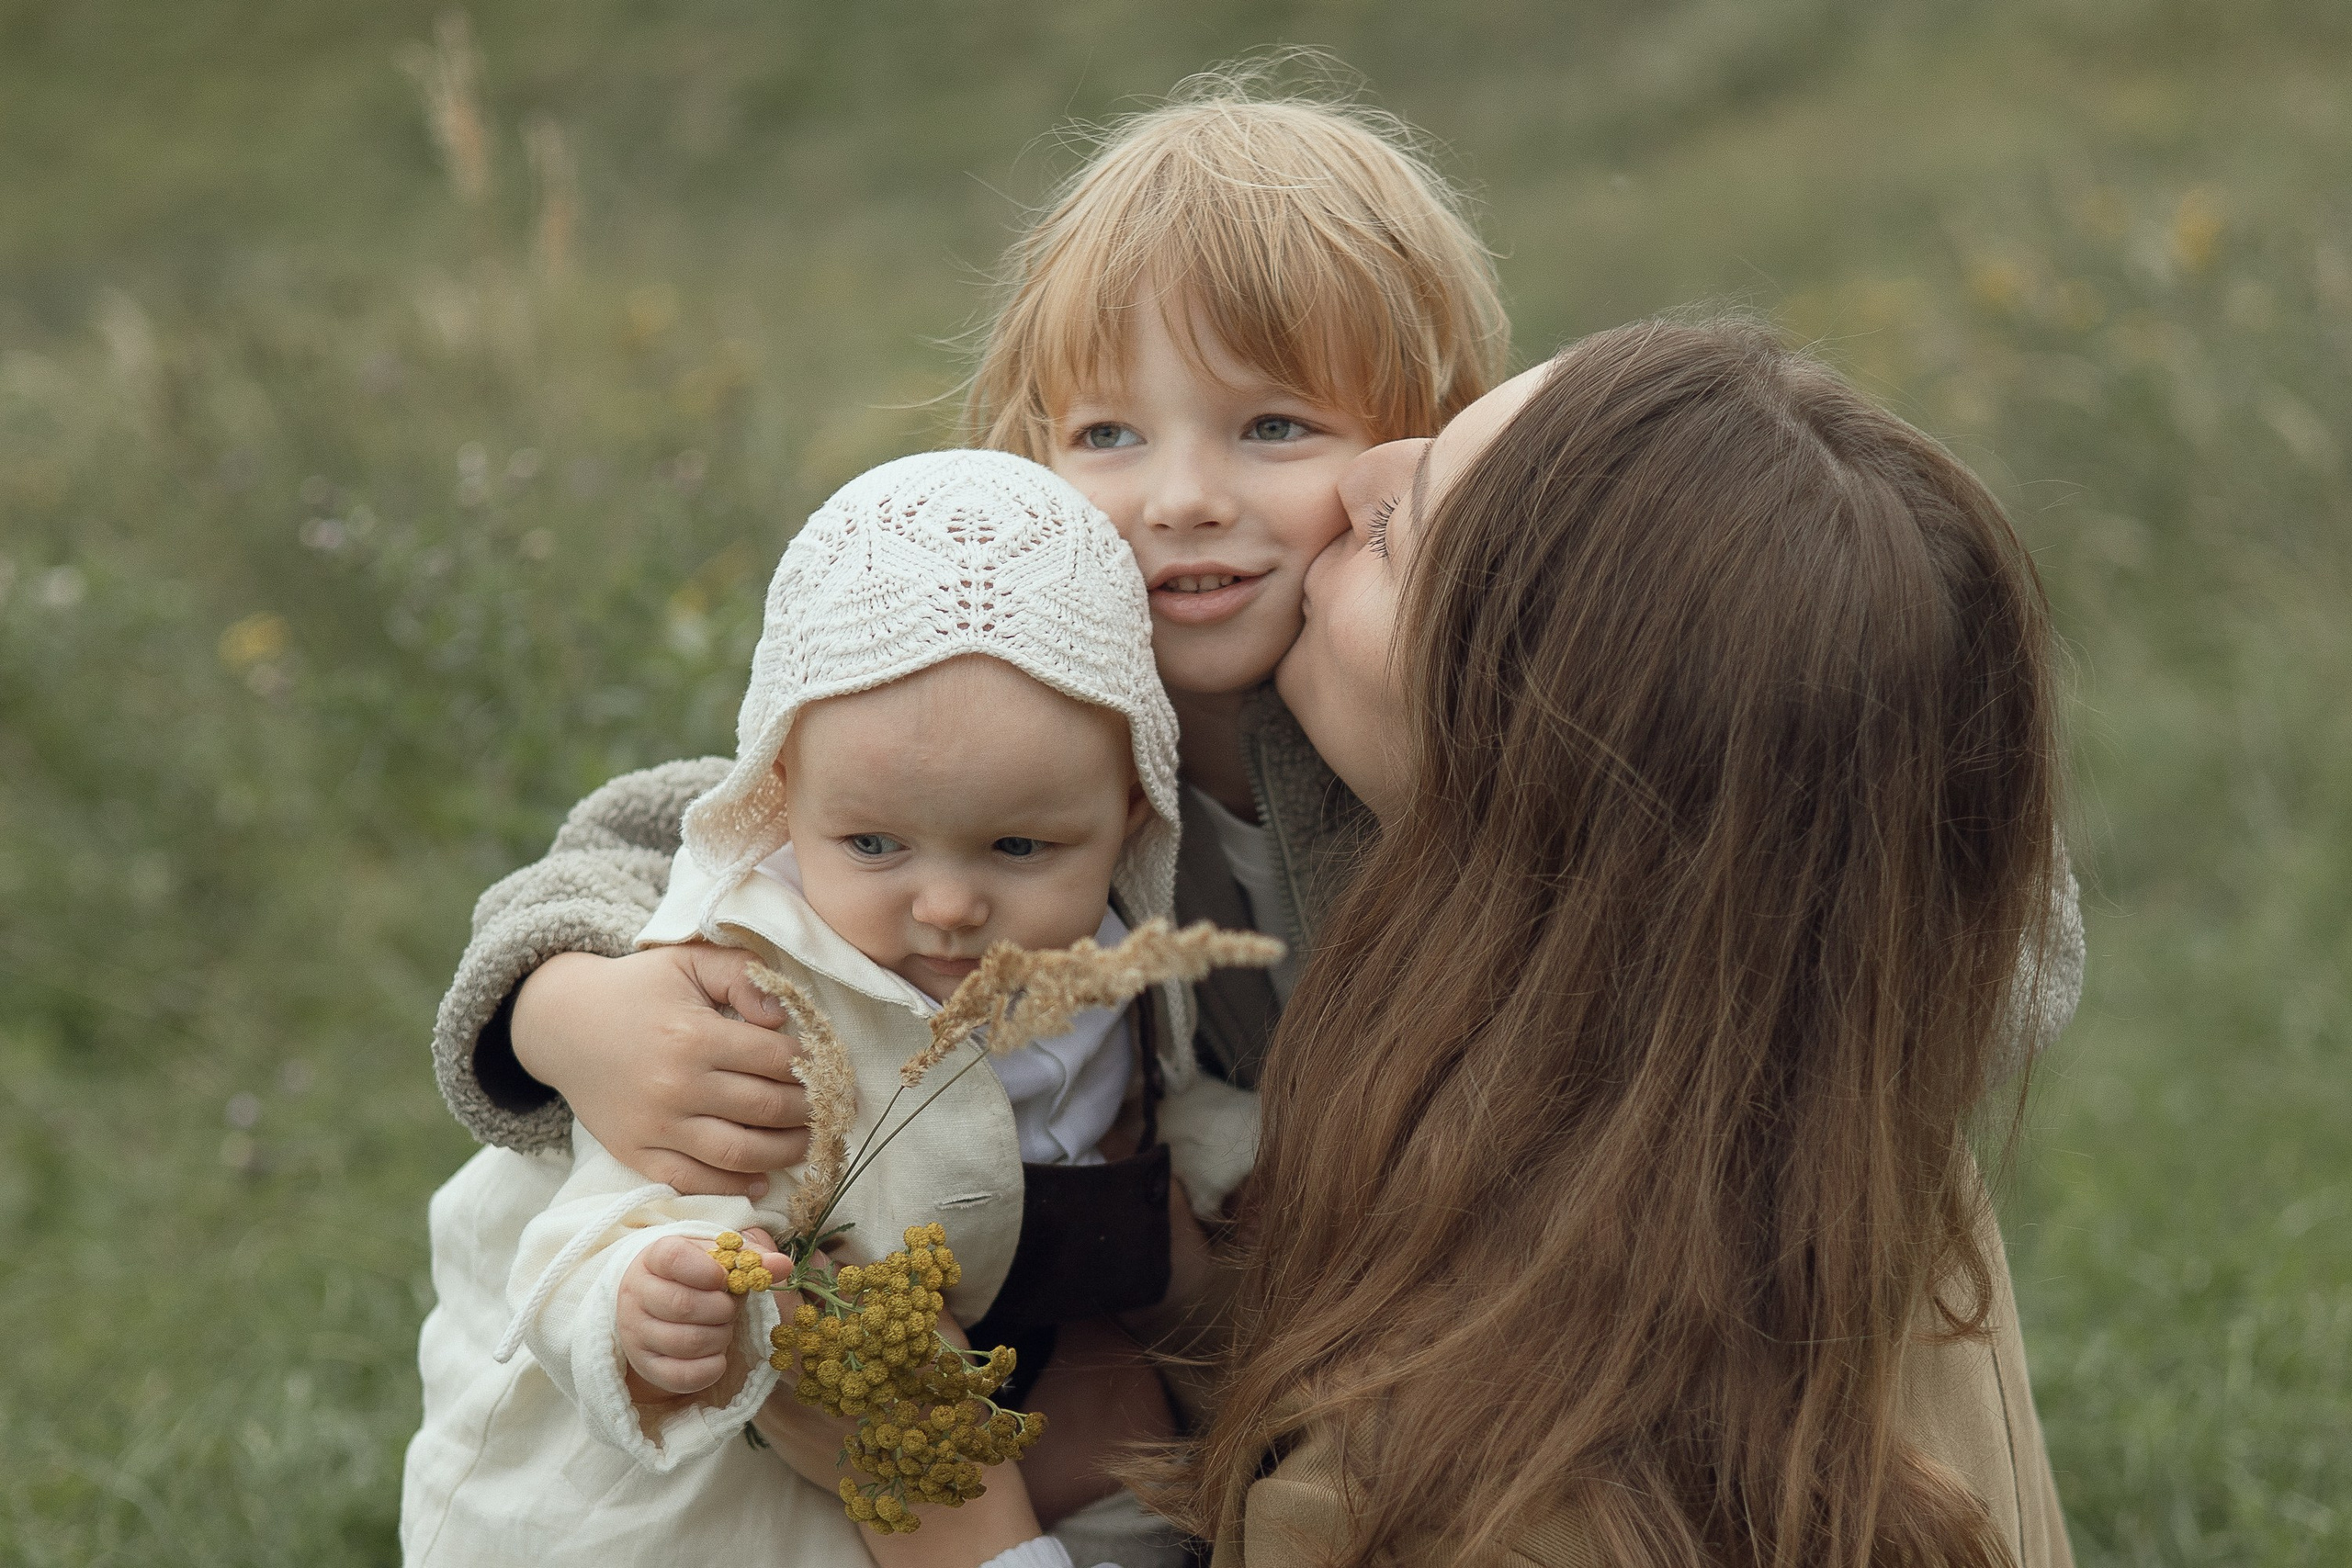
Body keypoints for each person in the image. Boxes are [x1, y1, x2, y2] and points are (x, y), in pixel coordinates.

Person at [769, 318, 2084, 1567]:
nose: (1361, 477)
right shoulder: (1851, 1150)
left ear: (1524, 755)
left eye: (1401, 532)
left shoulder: (1423, 1488)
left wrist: (938, 1484)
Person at [421, 79, 1510, 1546]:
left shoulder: (1420, 743)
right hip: (885, 1268)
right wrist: (567, 1012)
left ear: (1408, 459)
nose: (1182, 497)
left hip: (1193, 1275)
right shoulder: (1005, 680)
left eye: (1271, 424)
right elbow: (676, 827)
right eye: (1111, 433)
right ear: (1030, 451)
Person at [399, 451, 1263, 1566]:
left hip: (972, 1372)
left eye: (1020, 847)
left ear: (1132, 818)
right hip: (709, 1446)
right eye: (873, 844)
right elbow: (603, 1206)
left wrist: (1239, 1157)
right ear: (781, 797)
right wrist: (640, 1295)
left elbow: (1137, 1116)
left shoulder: (1113, 969)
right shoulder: (750, 984)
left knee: (1134, 1469)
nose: (948, 907)